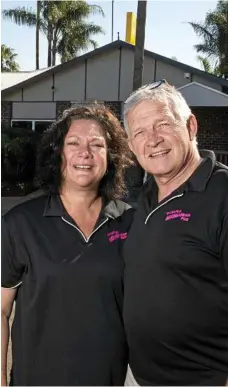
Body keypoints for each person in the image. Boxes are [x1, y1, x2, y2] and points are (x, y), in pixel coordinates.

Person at [1, 104, 134, 386]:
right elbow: (1, 309)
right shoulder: (21, 223)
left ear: (110, 157)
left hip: (107, 379)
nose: (84, 152)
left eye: (96, 144)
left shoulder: (131, 221)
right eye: (73, 143)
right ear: (57, 153)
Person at [123, 80, 228, 386]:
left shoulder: (222, 194)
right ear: (132, 146)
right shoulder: (142, 201)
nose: (152, 140)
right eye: (139, 132)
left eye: (163, 124)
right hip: (139, 377)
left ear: (191, 126)